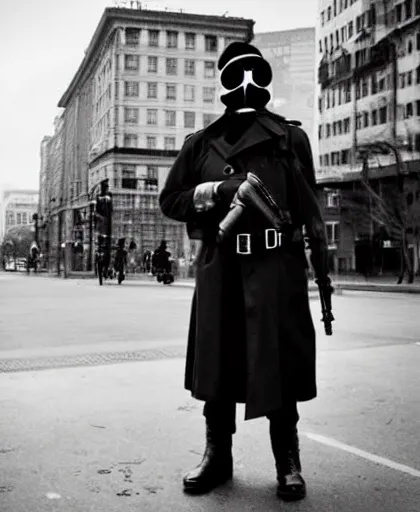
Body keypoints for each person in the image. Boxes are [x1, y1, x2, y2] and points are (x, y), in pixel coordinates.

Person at [159, 39, 331, 501]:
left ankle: (287, 460)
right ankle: (218, 454)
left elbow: (309, 206)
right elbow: (170, 200)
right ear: (225, 82)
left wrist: (319, 263)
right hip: (222, 267)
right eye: (239, 73)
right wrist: (216, 190)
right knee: (219, 360)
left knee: (279, 362)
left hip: (276, 265)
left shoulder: (290, 139)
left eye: (257, 71)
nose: (249, 81)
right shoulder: (201, 145)